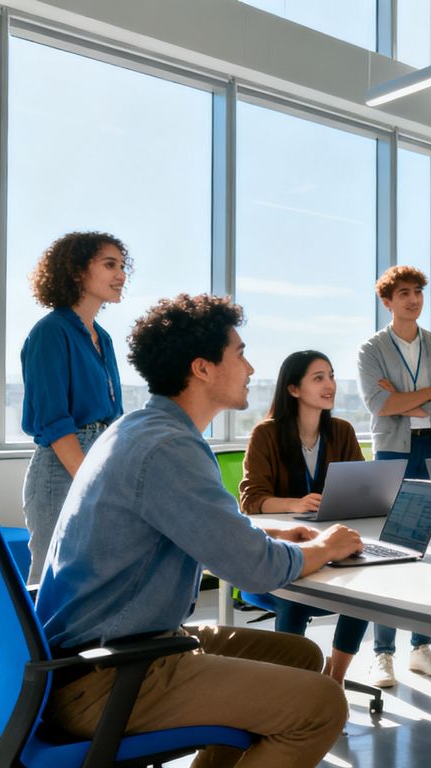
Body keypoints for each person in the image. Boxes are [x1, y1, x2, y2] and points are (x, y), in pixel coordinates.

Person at [35, 294, 364, 768]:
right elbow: (255, 569)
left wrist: (268, 536)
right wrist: (326, 546)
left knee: (298, 655)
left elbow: (201, 534)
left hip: (102, 650)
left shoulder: (139, 429)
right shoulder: (169, 448)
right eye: (240, 354)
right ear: (203, 368)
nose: (251, 368)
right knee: (322, 705)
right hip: (108, 673)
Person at [238, 350, 371, 686]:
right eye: (318, 378)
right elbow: (251, 501)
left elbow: (363, 492)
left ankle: (334, 681)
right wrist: (295, 503)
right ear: (294, 389)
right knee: (296, 599)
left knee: (363, 596)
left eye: (331, 375)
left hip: (332, 548)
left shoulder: (342, 432)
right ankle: (292, 688)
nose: (330, 385)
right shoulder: (266, 434)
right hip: (283, 551)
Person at [356, 265, 431, 687]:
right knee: (389, 549)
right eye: (403, 293)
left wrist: (410, 399)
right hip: (392, 451)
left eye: (418, 292)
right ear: (387, 301)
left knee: (429, 550)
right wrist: (427, 394)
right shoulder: (372, 349)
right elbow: (379, 405)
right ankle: (383, 653)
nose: (413, 299)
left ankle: (421, 646)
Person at [20, 231, 128, 583]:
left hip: (96, 456)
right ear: (78, 271)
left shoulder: (103, 337)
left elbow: (114, 415)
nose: (121, 275)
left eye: (123, 267)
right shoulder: (51, 332)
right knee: (51, 575)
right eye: (110, 265)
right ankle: (28, 640)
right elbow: (54, 421)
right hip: (61, 464)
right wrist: (89, 478)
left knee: (90, 572)